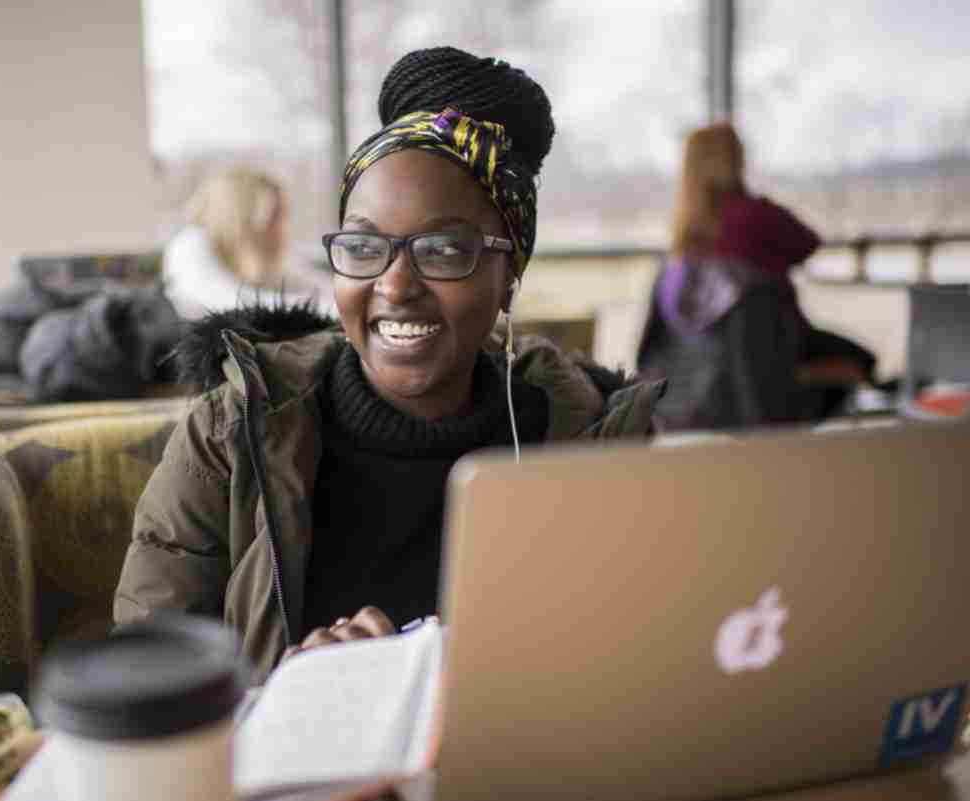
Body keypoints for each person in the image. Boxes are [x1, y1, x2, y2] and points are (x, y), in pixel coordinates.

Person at [114, 47, 666, 681]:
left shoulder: (593, 441)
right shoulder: (231, 434)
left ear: (508, 277)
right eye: (365, 245)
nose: (396, 285)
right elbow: (149, 687)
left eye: (442, 249)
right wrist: (296, 695)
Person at [637, 122, 876, 430]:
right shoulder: (756, 214)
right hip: (771, 357)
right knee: (863, 360)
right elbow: (809, 243)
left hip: (701, 383)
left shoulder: (682, 237)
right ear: (736, 161)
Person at [163, 166, 335, 319]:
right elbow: (233, 302)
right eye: (273, 216)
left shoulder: (259, 257)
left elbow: (314, 282)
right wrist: (329, 307)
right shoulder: (189, 244)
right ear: (242, 217)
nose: (281, 227)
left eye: (282, 216)